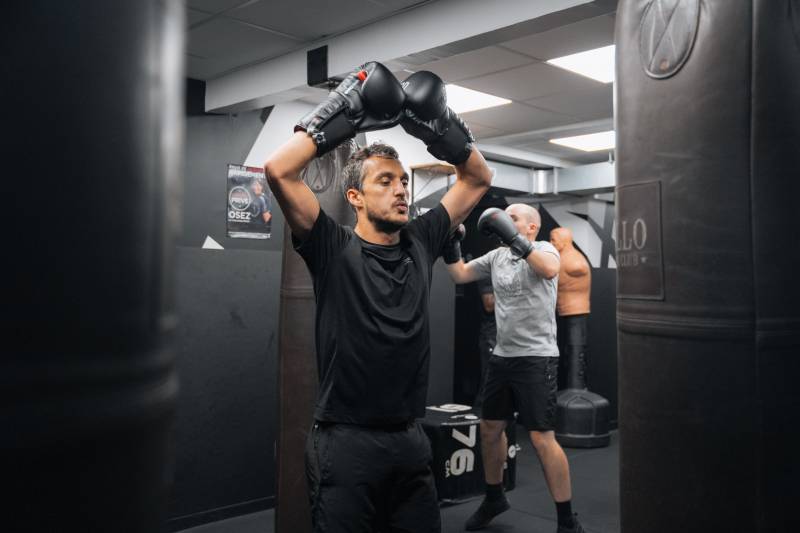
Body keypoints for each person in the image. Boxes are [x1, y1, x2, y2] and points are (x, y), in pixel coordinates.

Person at [264, 62, 492, 533]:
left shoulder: (421, 241)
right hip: (346, 445)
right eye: (384, 182)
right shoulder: (332, 247)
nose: (400, 189)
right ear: (355, 198)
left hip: (410, 441)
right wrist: (345, 109)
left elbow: (476, 177)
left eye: (403, 180)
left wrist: (439, 127)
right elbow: (279, 170)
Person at [442, 204, 585, 533]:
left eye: (513, 218)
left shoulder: (544, 248)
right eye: (505, 217)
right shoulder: (496, 258)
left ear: (531, 227)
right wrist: (452, 245)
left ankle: (567, 519)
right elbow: (460, 274)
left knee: (541, 438)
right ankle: (494, 497)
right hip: (502, 357)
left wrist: (514, 238)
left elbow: (549, 270)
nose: (505, 221)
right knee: (490, 429)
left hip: (537, 357)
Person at [549, 227, 590, 391]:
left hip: (575, 312)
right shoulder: (562, 257)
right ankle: (572, 389)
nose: (552, 243)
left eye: (554, 240)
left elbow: (580, 267)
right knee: (569, 349)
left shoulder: (572, 260)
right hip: (566, 311)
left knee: (575, 350)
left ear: (565, 241)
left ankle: (576, 390)